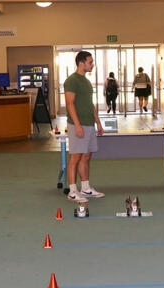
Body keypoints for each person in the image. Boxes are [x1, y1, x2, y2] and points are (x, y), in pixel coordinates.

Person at [63, 51, 105, 202]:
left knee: (86, 156)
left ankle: (86, 188)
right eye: (90, 62)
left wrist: (98, 122)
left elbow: (89, 103)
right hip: (77, 124)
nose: (92, 65)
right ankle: (73, 191)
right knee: (75, 157)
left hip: (89, 124)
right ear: (81, 63)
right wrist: (77, 125)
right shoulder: (72, 81)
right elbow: (69, 103)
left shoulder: (86, 81)